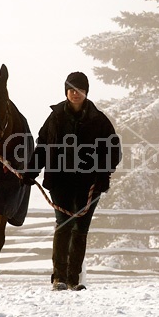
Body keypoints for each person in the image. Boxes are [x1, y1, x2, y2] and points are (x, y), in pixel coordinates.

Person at [23, 71, 121, 291]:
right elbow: (43, 146)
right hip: (60, 180)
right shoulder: (55, 118)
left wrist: (104, 174)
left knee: (81, 228)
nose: (75, 94)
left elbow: (113, 150)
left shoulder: (99, 120)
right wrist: (32, 171)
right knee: (64, 225)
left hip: (90, 182)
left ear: (86, 92)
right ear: (66, 91)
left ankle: (74, 279)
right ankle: (59, 278)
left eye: (80, 90)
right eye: (72, 90)